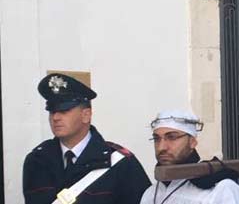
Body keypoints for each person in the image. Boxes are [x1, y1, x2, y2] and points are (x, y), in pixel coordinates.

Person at [23, 73, 151, 204]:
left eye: (64, 111)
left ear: (86, 115)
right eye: (52, 111)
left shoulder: (120, 163)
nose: (55, 118)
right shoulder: (37, 161)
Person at [140, 110, 239, 204]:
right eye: (157, 139)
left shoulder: (220, 189)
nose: (161, 147)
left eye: (172, 137)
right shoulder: (151, 193)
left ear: (192, 142)